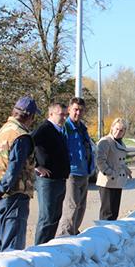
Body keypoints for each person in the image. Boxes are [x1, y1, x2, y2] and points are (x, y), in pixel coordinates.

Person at [0, 96, 39, 253]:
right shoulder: (21, 136)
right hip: (14, 194)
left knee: (0, 242)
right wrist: (1, 189)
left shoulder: (0, 133)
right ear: (30, 116)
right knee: (12, 247)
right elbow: (14, 168)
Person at [56, 97, 96, 236]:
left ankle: (74, 233)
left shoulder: (82, 128)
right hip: (71, 173)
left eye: (81, 110)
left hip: (84, 172)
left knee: (81, 207)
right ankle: (64, 236)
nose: (78, 113)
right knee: (71, 207)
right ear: (69, 110)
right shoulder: (65, 127)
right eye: (75, 109)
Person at [32, 102, 70, 245]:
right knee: (47, 217)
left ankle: (48, 246)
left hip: (60, 178)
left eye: (66, 114)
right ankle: (39, 249)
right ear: (51, 114)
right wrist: (36, 166)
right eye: (61, 114)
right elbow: (27, 144)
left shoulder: (59, 130)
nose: (64, 117)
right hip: (47, 180)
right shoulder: (44, 129)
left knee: (55, 216)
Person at [96, 118, 132, 220]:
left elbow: (118, 161)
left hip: (117, 181)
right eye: (116, 129)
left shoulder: (121, 143)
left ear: (124, 132)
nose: (118, 132)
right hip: (107, 181)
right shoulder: (105, 141)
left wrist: (125, 169)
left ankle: (110, 234)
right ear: (112, 128)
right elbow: (100, 161)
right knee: (107, 213)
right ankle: (103, 233)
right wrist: (111, 173)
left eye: (121, 130)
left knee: (114, 212)